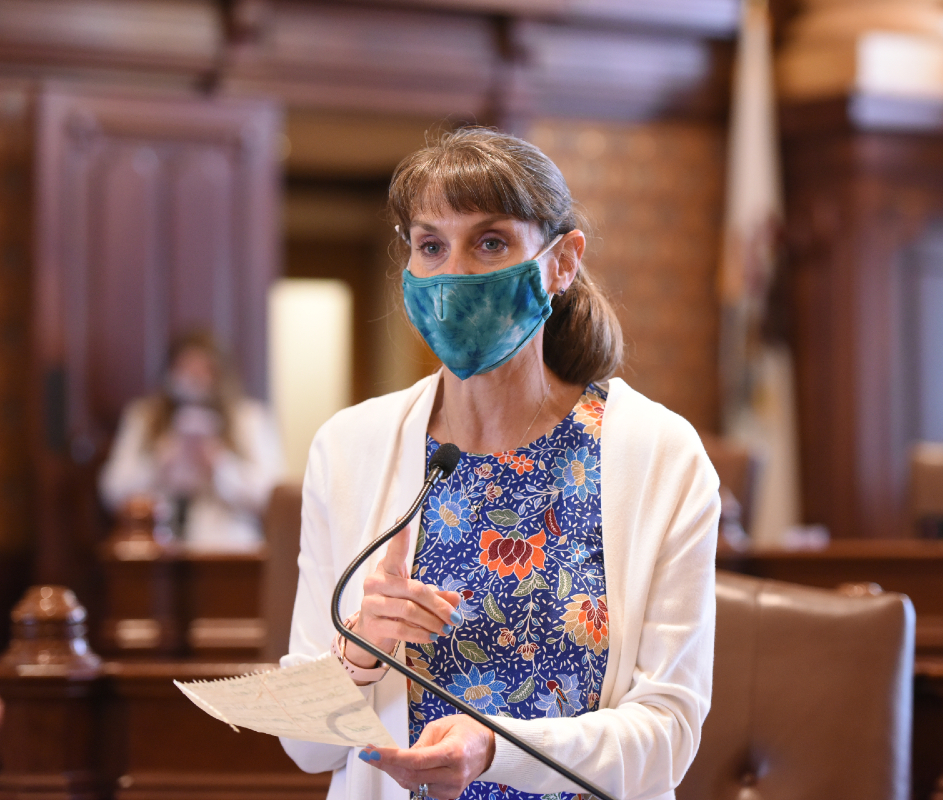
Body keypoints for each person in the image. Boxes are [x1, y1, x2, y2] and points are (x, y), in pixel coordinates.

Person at [280, 129, 721, 800]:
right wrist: (360, 652)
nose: (454, 273)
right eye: (431, 246)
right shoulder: (348, 447)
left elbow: (667, 737)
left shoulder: (660, 454)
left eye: (490, 243)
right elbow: (305, 749)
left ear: (562, 261)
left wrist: (493, 748)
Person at [99, 330, 284, 551]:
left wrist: (219, 466)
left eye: (204, 370)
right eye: (186, 368)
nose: (194, 379)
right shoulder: (144, 417)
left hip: (228, 549)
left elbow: (273, 496)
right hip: (155, 551)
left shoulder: (249, 419)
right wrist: (160, 461)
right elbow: (113, 491)